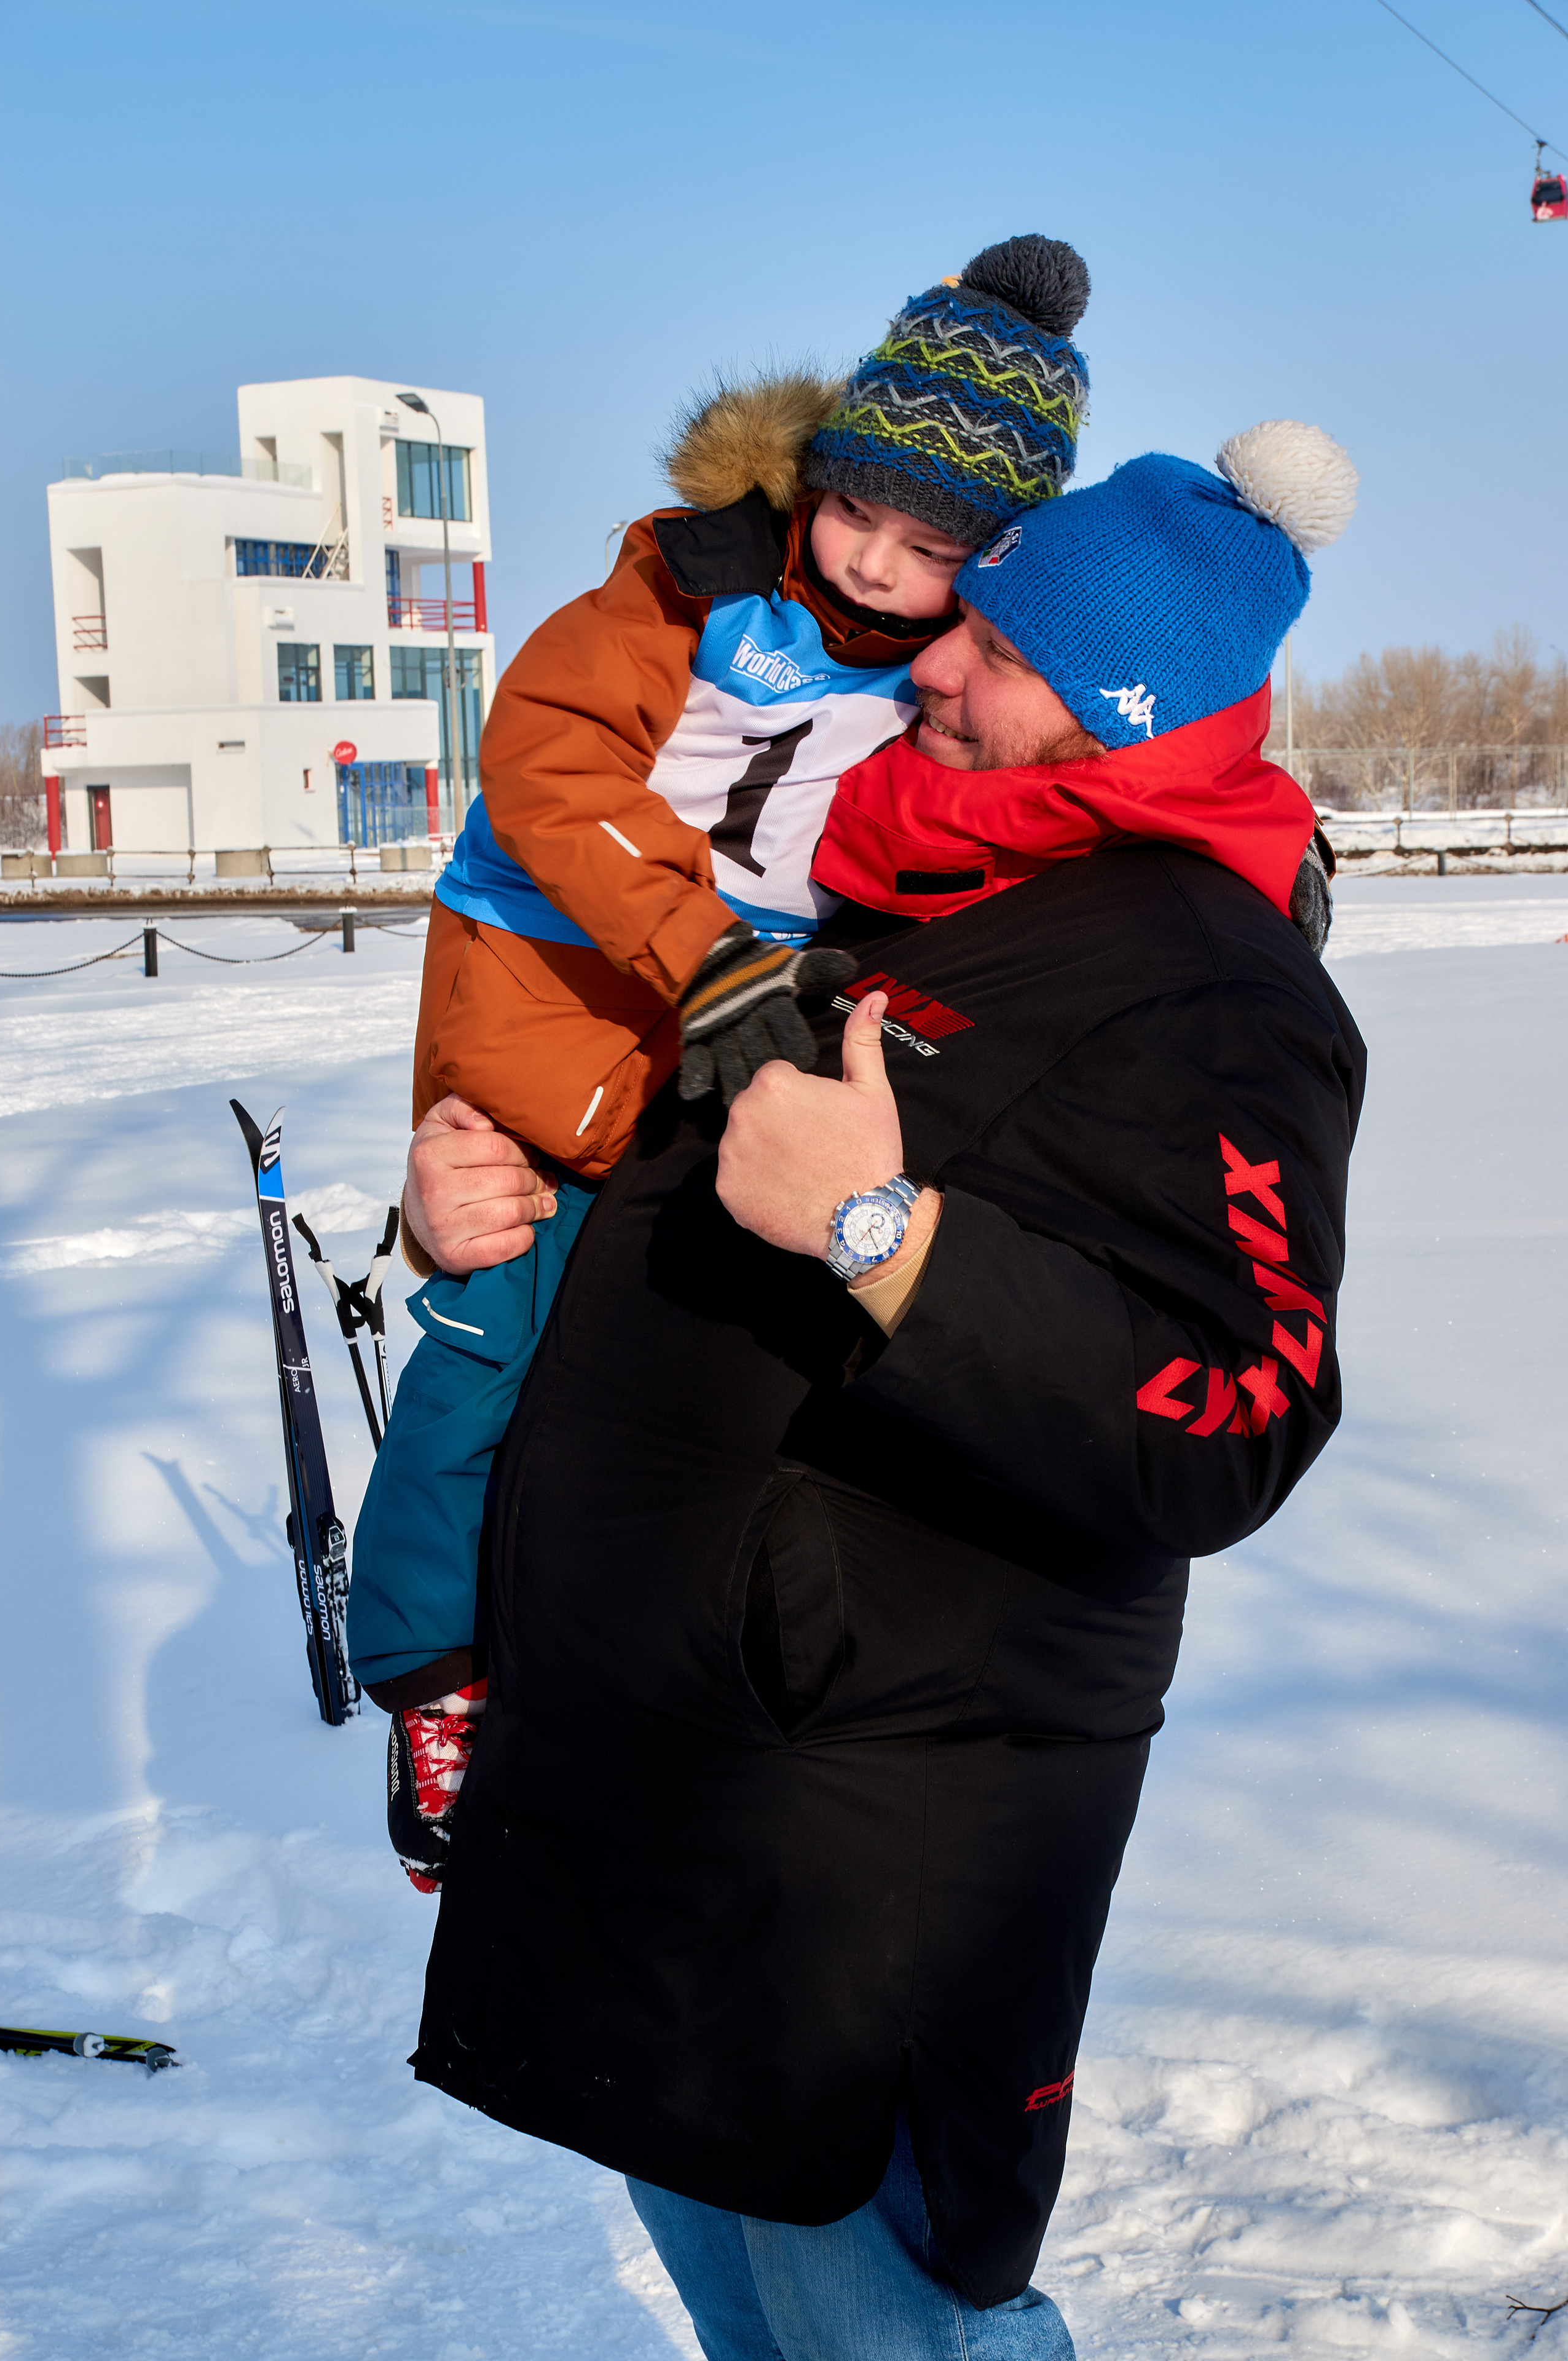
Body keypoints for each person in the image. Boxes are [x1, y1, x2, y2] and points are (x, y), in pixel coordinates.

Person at [403, 419, 1367, 2359]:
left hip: (869, 1817)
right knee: (739, 2281)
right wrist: (467, 1219)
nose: (926, 655)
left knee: (887, 2311)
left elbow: (1237, 1407)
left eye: (993, 650)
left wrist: (881, 1232)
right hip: (671, 1755)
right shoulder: (897, 893)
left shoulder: (1211, 988)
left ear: (1120, 717)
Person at [345, 235, 1099, 1884]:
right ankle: (427, 1674)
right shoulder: (689, 577)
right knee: (495, 1321)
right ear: (817, 472)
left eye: (930, 544)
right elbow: (544, 766)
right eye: (856, 514)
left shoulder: (944, 661)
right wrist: (708, 960)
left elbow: (1035, 786)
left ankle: (653, 1683)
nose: (883, 567)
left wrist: (1235, 847)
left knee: (681, 1355)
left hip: (734, 1008)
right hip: (552, 975)